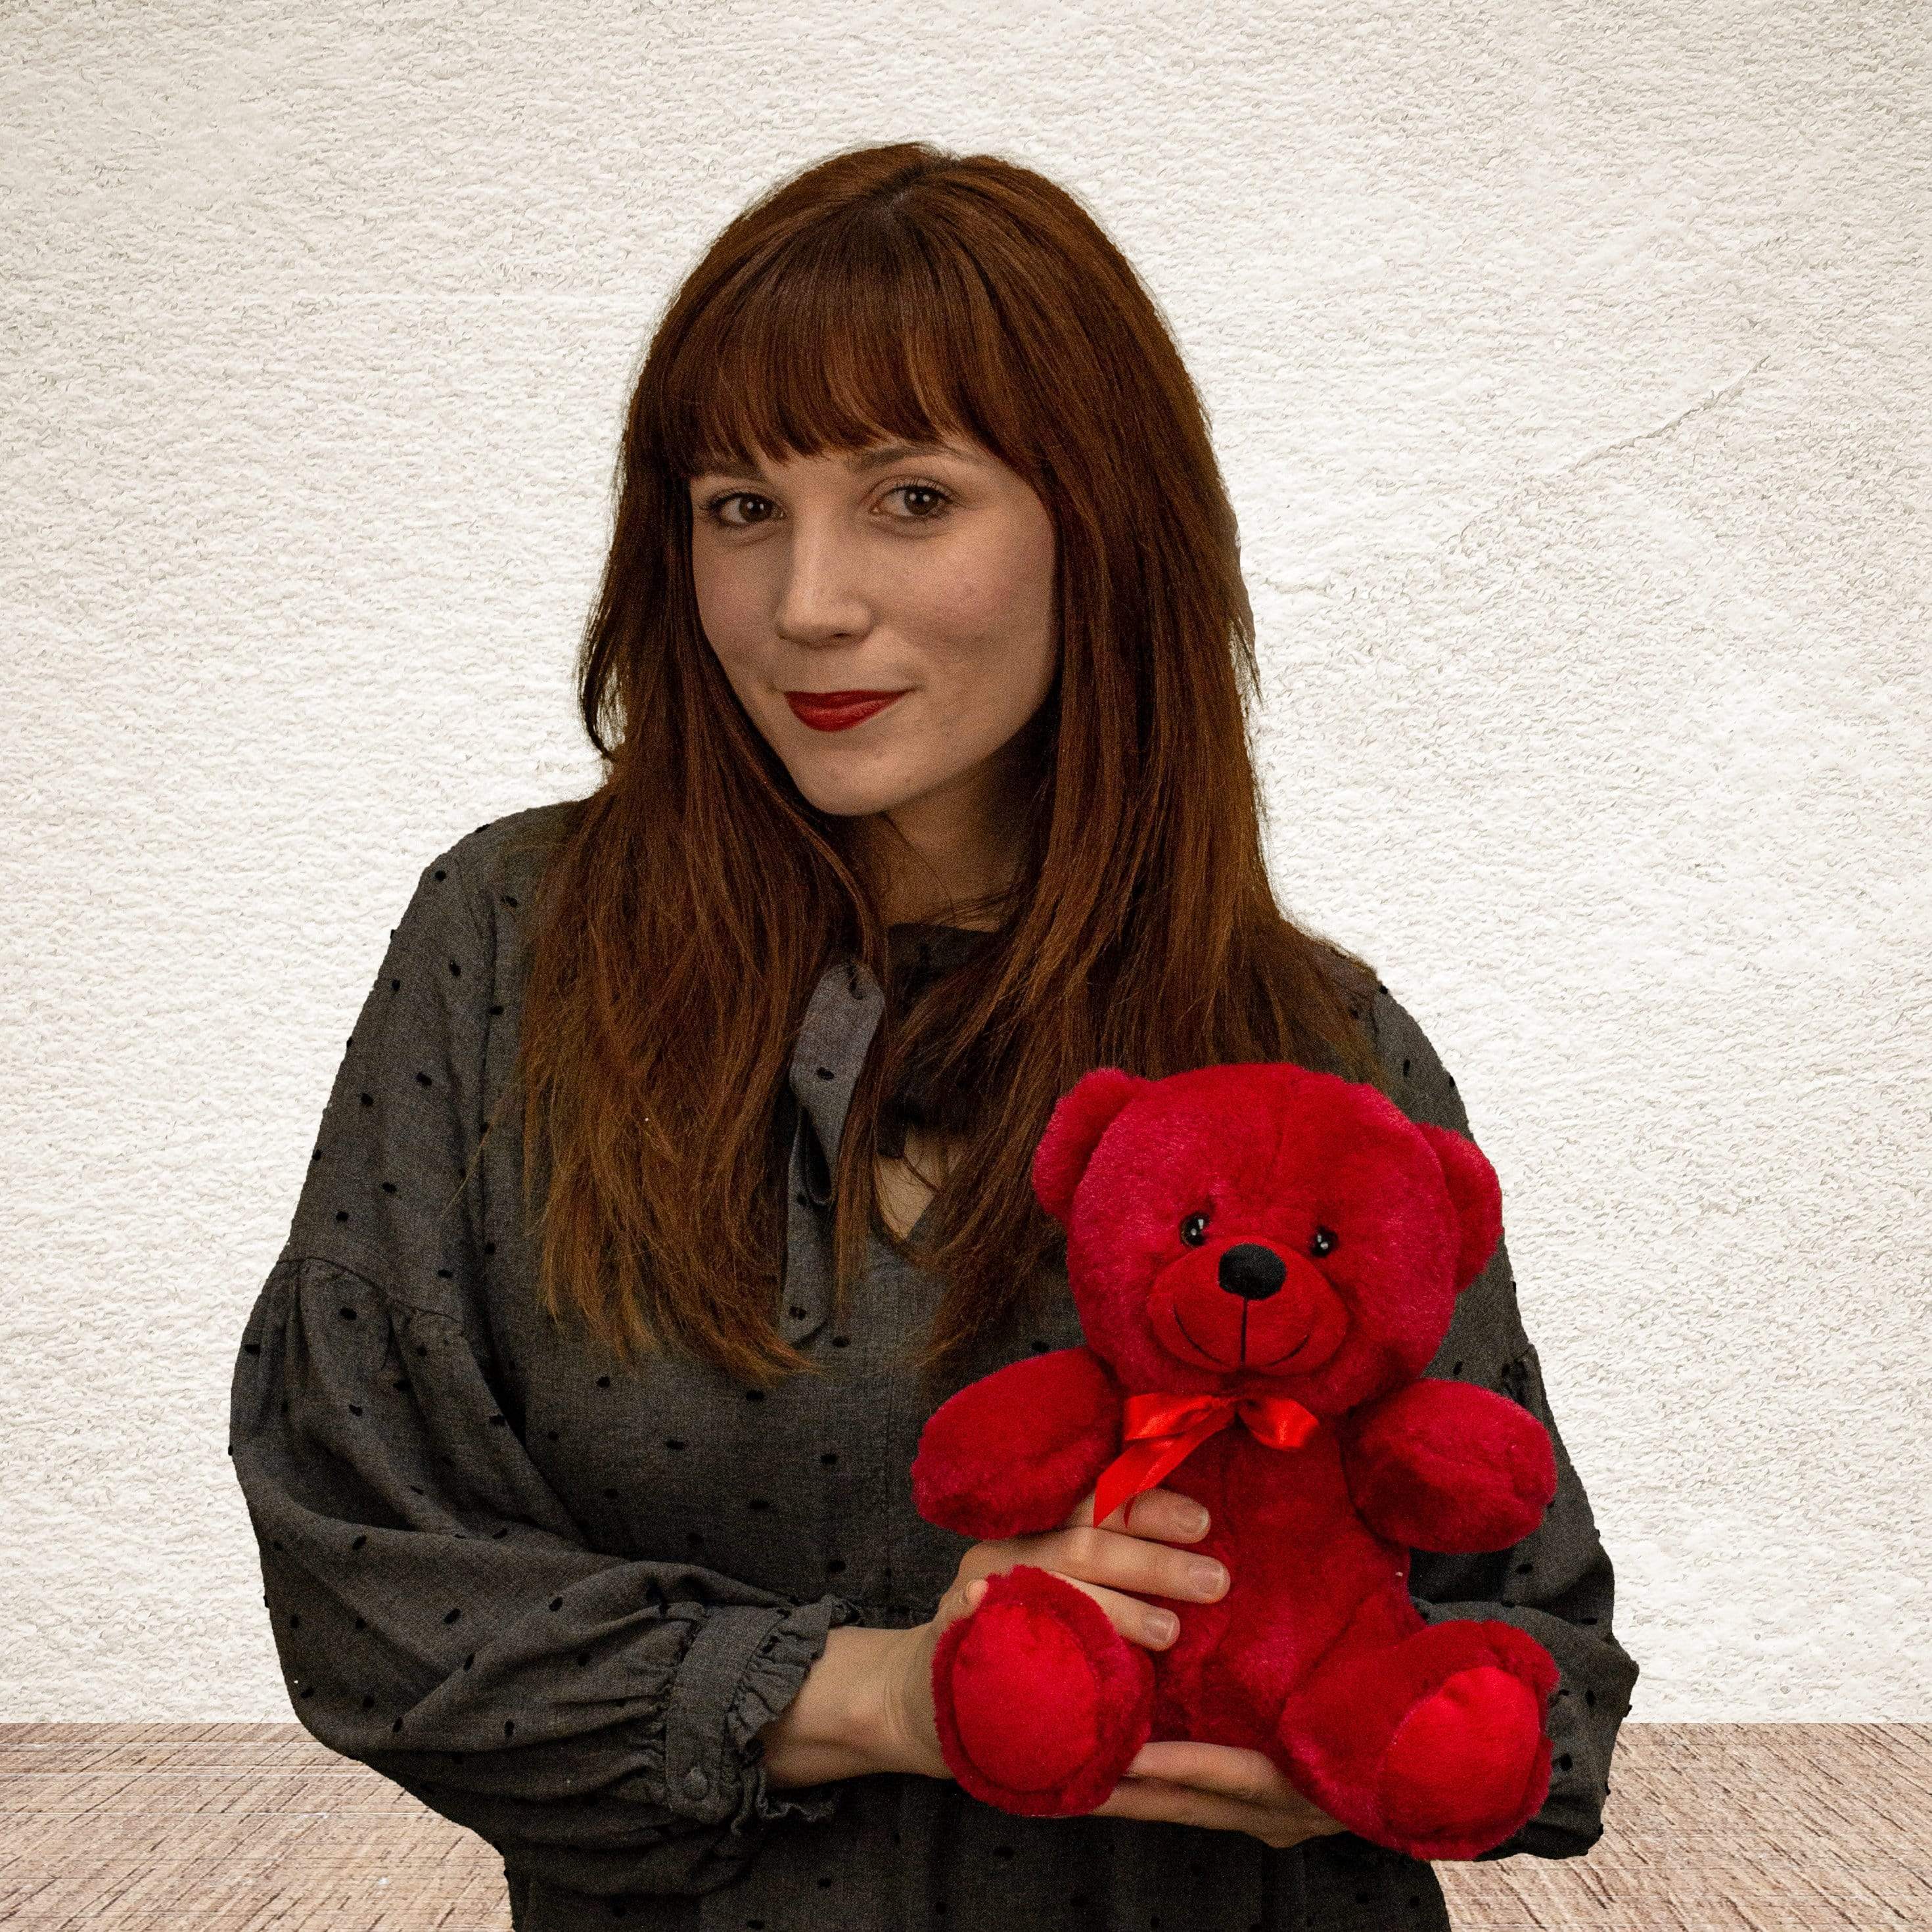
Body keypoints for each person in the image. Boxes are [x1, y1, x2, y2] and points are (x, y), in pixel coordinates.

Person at [228, 140, 1639, 1931]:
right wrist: (882, 1693)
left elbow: (1541, 1636)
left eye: (907, 497)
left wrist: (1375, 1737)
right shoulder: (509, 945)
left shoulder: (1315, 1038)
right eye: (741, 505)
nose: (806, 598)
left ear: (1097, 523)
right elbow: (364, 1580)